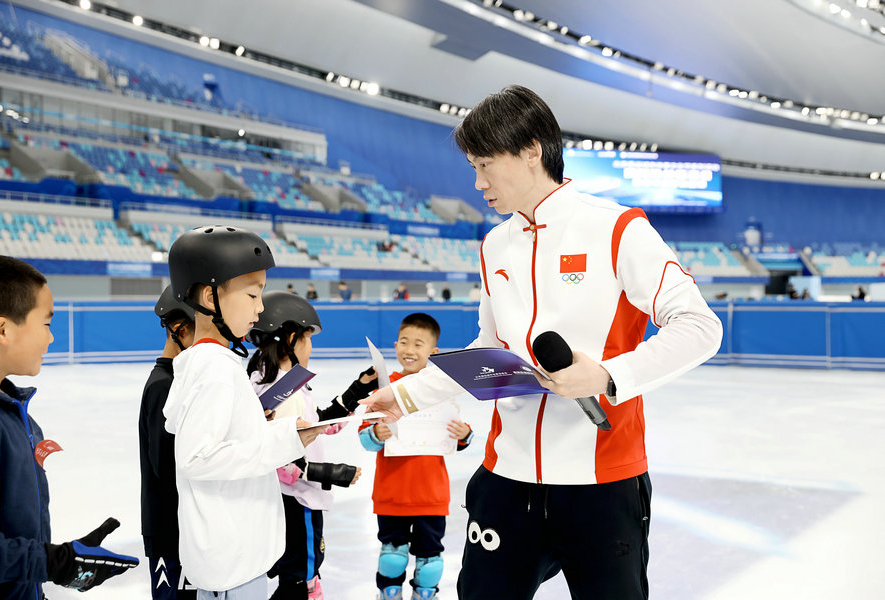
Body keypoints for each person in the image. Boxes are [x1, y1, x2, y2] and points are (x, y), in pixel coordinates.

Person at [362, 85, 723, 600]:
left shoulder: (617, 228)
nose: (478, 183)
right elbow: (489, 347)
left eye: (485, 165)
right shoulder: (494, 244)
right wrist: (403, 395)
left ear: (532, 151)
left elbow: (699, 326)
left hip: (601, 483)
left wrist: (605, 375)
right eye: (473, 168)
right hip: (506, 479)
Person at [163, 226, 324, 599]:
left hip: (235, 564)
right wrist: (286, 439)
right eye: (252, 294)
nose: (261, 306)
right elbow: (198, 458)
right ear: (209, 296)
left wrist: (286, 434)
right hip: (232, 570)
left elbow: (229, 443)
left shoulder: (213, 364)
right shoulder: (215, 369)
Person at [0, 255, 139, 599]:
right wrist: (52, 561)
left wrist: (56, 563)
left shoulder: (13, 412)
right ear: (3, 329)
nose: (51, 339)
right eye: (46, 324)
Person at [246, 291, 376, 599]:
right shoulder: (280, 392)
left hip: (287, 500)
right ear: (291, 339)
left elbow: (316, 425)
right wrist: (328, 472)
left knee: (301, 574)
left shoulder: (277, 382)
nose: (311, 346)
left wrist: (358, 389)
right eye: (308, 338)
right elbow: (274, 456)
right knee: (300, 578)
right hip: (297, 501)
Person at [358, 313, 473, 600]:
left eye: (418, 344)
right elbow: (365, 440)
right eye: (405, 342)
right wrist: (375, 434)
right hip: (392, 491)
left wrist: (464, 434)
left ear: (433, 352)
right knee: (392, 557)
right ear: (395, 345)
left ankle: (426, 595)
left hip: (431, 494)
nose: (410, 350)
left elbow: (456, 439)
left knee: (430, 561)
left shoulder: (440, 389)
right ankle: (388, 595)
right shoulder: (384, 389)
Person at [139, 285, 197, 599]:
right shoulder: (164, 385)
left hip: (184, 527)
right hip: (168, 530)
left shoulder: (181, 381)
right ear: (179, 330)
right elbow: (165, 463)